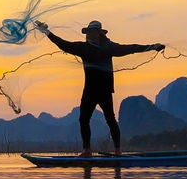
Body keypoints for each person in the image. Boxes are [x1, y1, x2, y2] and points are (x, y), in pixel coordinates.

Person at [35, 19, 164, 155]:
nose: (90, 35)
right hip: (89, 91)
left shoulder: (109, 48)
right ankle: (87, 150)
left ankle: (118, 151)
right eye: (88, 33)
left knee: (110, 119)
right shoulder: (84, 48)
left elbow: (130, 48)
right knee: (84, 120)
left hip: (104, 91)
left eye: (93, 32)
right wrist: (47, 32)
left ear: (99, 34)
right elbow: (63, 44)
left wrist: (152, 46)